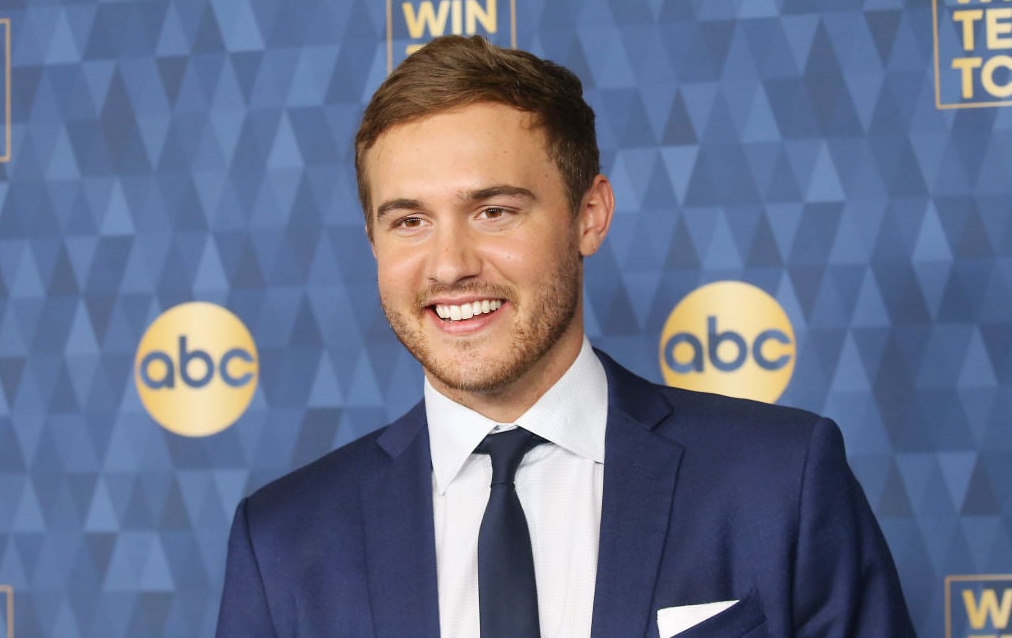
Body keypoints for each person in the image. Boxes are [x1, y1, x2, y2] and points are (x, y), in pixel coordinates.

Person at [216, 35, 916, 637]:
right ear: (373, 239)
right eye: (409, 221)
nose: (451, 264)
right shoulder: (283, 544)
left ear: (590, 215)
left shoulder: (778, 481)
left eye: (493, 211)